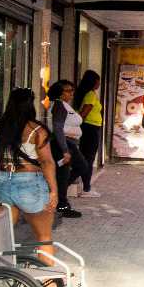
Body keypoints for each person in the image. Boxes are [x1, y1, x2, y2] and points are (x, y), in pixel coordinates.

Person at [0, 87, 57, 259]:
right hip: (30, 184)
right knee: (43, 237)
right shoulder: (37, 131)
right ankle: (49, 283)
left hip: (1, 182)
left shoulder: (0, 128)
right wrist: (53, 191)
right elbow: (46, 162)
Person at [49, 81, 90, 218]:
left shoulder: (64, 105)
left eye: (72, 90)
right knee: (64, 174)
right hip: (63, 145)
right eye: (67, 90)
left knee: (80, 166)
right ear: (59, 93)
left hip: (69, 144)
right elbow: (58, 129)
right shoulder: (59, 106)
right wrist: (64, 150)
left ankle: (58, 192)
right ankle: (62, 204)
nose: (71, 92)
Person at [72, 70, 104, 196]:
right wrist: (76, 128)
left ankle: (86, 186)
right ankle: (86, 188)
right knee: (89, 158)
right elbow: (83, 114)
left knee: (87, 157)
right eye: (98, 80)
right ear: (94, 81)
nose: (99, 83)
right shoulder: (90, 95)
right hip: (90, 128)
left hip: (89, 128)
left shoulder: (86, 93)